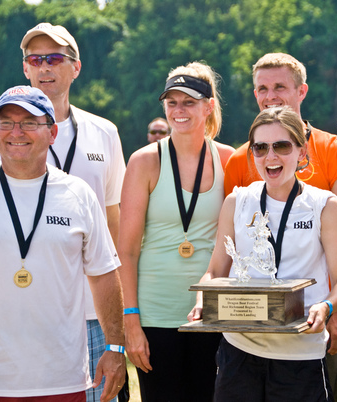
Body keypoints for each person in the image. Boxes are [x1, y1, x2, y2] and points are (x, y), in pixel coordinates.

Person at [0, 22, 127, 401]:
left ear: (75, 67)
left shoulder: (104, 132)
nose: (44, 67)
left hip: (87, 315)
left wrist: (120, 337)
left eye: (54, 58)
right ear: (25, 67)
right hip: (2, 325)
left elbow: (113, 226)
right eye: (35, 59)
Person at [223, 52, 337, 400]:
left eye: (279, 86)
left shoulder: (334, 154)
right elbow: (227, 262)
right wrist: (208, 300)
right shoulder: (240, 166)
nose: (270, 156)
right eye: (262, 89)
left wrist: (335, 312)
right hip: (241, 344)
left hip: (302, 343)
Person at [190, 106, 337, 402]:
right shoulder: (237, 201)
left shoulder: (324, 205)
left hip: (300, 354)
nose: (271, 156)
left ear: (302, 152)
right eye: (260, 147)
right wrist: (203, 300)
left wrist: (326, 308)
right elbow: (215, 272)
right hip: (239, 350)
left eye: (281, 146)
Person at [118, 61, 234, 401]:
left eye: (189, 101)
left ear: (208, 106)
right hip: (155, 314)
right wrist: (131, 321)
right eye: (172, 102)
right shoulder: (144, 161)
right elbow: (126, 250)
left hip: (212, 314)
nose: (179, 110)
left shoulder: (229, 159)